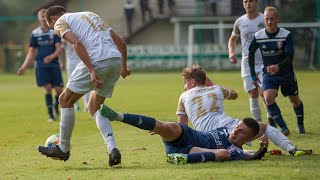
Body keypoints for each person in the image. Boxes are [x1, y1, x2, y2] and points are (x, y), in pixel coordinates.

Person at [37, 6, 131, 167]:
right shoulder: (91, 14)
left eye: (52, 28)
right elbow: (120, 42)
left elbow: (77, 43)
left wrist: (91, 70)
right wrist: (123, 67)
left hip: (96, 61)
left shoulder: (60, 22)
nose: (55, 30)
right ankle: (112, 148)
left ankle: (63, 148)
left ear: (53, 19)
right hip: (114, 60)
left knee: (65, 100)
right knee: (95, 107)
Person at [177, 65, 311, 156]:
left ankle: (244, 152)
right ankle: (292, 150)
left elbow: (183, 127)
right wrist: (212, 85)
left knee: (227, 149)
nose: (184, 87)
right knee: (263, 128)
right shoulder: (217, 89)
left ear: (193, 82)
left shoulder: (183, 96)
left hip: (206, 138)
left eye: (186, 82)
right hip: (229, 127)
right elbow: (234, 95)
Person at [100, 104, 269, 164]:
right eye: (236, 127)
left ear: (247, 139)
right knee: (163, 126)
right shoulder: (226, 130)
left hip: (191, 150)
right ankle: (118, 116)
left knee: (224, 153)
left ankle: (180, 157)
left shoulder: (237, 152)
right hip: (189, 135)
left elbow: (251, 156)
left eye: (241, 133)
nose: (235, 131)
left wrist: (262, 150)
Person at [248, 6, 305, 135]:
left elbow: (290, 56)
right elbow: (250, 53)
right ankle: (283, 128)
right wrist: (252, 74)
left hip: (286, 73)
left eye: (272, 19)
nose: (269, 22)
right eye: (267, 19)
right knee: (268, 98)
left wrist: (278, 66)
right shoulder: (258, 36)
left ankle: (300, 123)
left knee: (294, 99)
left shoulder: (286, 35)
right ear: (264, 20)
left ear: (277, 19)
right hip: (269, 74)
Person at [228, 0, 276, 127]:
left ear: (256, 2)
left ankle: (271, 118)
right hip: (247, 64)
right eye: (245, 1)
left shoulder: (264, 19)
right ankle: (258, 125)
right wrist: (231, 52)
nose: (248, 4)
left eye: (251, 1)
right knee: (253, 93)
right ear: (243, 4)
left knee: (264, 93)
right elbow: (232, 39)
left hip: (265, 62)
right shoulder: (239, 22)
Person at [17, 9, 63, 123]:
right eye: (41, 16)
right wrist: (24, 66)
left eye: (44, 16)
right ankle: (51, 115)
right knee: (47, 88)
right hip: (41, 65)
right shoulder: (35, 33)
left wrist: (52, 57)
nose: (43, 18)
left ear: (48, 17)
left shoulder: (54, 32)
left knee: (59, 91)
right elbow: (31, 52)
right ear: (38, 18)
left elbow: (59, 48)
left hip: (54, 64)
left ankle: (55, 106)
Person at [61, 40, 90, 112]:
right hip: (70, 64)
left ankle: (87, 104)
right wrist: (61, 62)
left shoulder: (80, 37)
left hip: (81, 62)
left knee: (84, 83)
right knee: (71, 84)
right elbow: (61, 49)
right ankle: (75, 105)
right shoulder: (65, 37)